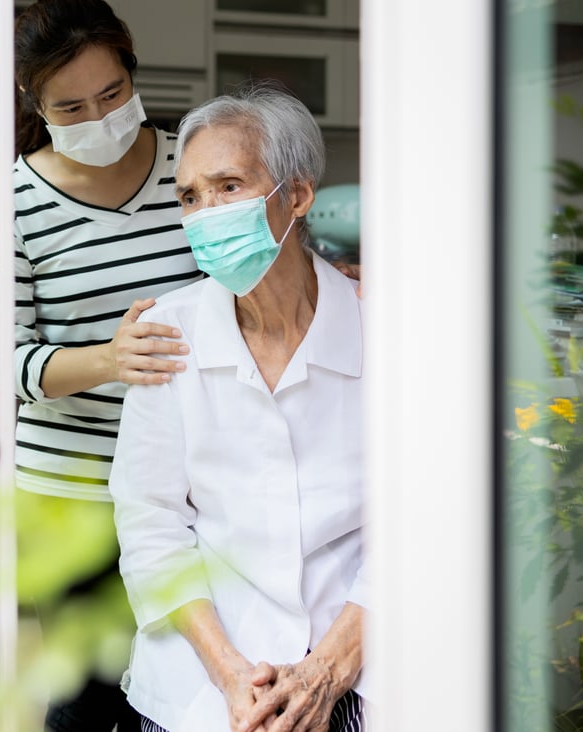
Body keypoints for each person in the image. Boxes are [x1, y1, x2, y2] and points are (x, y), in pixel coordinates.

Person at [108, 85, 368, 732]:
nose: (205, 214)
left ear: (298, 196)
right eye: (189, 197)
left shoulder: (385, 328)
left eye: (228, 186)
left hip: (358, 671)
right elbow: (151, 527)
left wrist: (326, 672)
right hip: (202, 684)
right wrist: (231, 676)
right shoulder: (166, 333)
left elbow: (423, 523)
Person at [11, 1, 203, 729]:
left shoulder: (193, 163)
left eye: (113, 94)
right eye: (72, 106)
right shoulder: (16, 200)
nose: (99, 116)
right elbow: (8, 363)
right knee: (88, 698)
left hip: (191, 482)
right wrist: (109, 358)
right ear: (36, 102)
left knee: (187, 683)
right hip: (71, 499)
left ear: (133, 73)